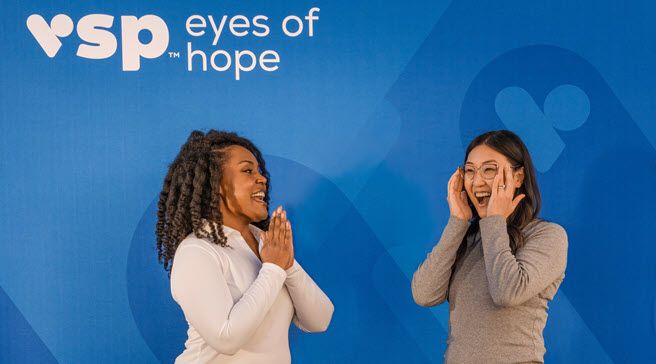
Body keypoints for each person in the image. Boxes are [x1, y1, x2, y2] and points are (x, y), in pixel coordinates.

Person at [156, 130, 334, 364]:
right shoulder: (196, 252)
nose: (262, 179)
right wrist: (272, 269)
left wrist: (287, 265)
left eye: (260, 171)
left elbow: (319, 320)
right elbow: (226, 339)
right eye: (248, 171)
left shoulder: (266, 243)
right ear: (215, 183)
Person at [411, 130, 567, 363]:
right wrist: (457, 223)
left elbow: (507, 293)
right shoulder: (467, 238)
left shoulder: (547, 235)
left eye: (489, 169)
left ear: (518, 177)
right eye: (470, 171)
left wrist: (494, 221)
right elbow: (424, 294)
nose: (477, 181)